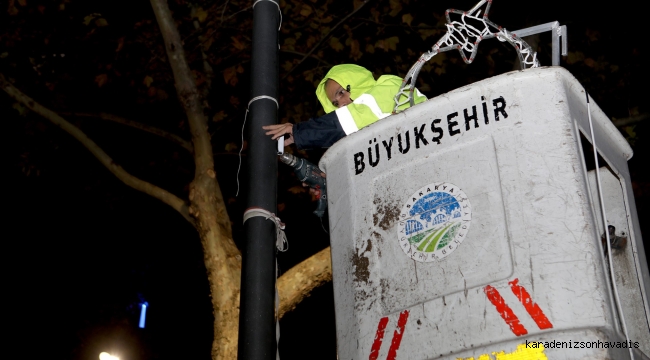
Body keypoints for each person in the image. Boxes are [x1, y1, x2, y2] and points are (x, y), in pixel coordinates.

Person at [264, 64, 427, 149]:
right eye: (335, 104)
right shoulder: (364, 130)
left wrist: (299, 132)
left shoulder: (390, 85)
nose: (341, 105)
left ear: (357, 82)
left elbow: (353, 119)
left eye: (341, 92)